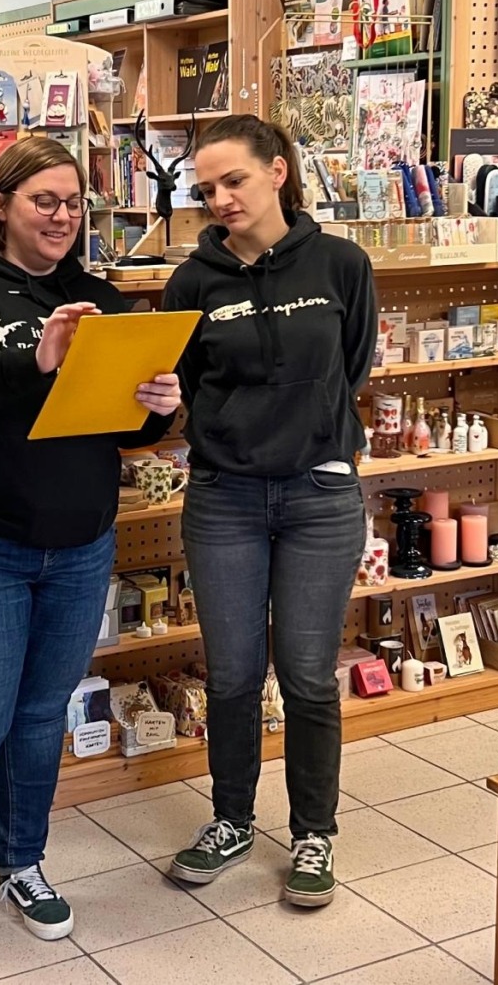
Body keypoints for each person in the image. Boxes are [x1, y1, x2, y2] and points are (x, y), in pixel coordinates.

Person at [0, 137, 182, 942]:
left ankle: (21, 860)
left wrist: (159, 404)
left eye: (72, 203)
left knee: (36, 717)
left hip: (80, 544)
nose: (61, 217)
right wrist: (36, 360)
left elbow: (125, 432)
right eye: (43, 201)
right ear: (1, 205)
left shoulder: (99, 295)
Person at [163, 114, 376, 907]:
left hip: (319, 496)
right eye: (205, 188)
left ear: (277, 172)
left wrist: (310, 436)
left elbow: (350, 361)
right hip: (223, 498)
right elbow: (177, 391)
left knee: (308, 676)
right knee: (232, 677)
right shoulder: (192, 282)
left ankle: (313, 833)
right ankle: (231, 821)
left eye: (234, 181)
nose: (219, 199)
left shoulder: (341, 264)